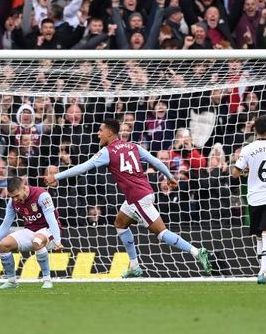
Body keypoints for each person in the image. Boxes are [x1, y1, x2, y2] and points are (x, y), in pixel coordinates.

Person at [45, 118, 212, 277]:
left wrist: (57, 176)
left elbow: (82, 168)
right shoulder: (133, 146)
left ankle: (197, 252)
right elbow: (156, 161)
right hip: (140, 195)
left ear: (110, 133)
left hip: (138, 198)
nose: (98, 134)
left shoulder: (107, 152)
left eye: (100, 130)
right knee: (120, 223)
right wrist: (169, 177)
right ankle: (134, 266)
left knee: (161, 233)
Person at [231, 115, 266, 284]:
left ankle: (265, 270)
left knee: (259, 237)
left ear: (254, 130)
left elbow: (235, 173)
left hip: (253, 198)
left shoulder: (247, 149)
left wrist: (248, 172)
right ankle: (263, 271)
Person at [0, 176, 62, 290]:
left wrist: (58, 240)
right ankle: (11, 281)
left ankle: (47, 280)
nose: (15, 199)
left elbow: (51, 219)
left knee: (37, 241)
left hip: (48, 230)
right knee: (4, 245)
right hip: (30, 230)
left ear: (24, 188)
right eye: (12, 197)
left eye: (16, 196)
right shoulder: (12, 202)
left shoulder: (42, 195)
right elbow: (6, 224)